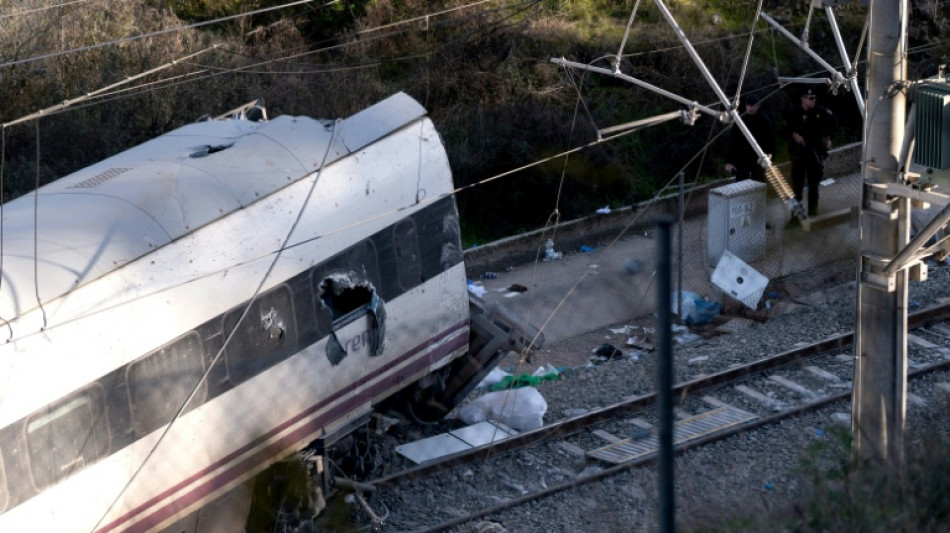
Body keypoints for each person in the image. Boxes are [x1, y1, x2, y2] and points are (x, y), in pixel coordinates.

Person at [787, 87, 837, 218]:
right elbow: (784, 130)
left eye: (814, 98)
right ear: (802, 99)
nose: (812, 100)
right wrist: (794, 135)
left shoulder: (819, 111)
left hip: (815, 154)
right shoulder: (794, 113)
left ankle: (813, 215)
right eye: (810, 98)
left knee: (813, 187)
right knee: (797, 188)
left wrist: (829, 138)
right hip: (799, 155)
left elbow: (834, 122)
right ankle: (795, 217)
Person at [724, 93, 774, 182]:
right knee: (741, 187)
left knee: (759, 186)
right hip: (742, 160)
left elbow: (769, 141)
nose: (750, 108)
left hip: (758, 160)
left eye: (753, 105)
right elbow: (732, 141)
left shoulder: (764, 121)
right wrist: (729, 161)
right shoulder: (740, 120)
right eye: (748, 105)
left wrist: (770, 156)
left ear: (758, 106)